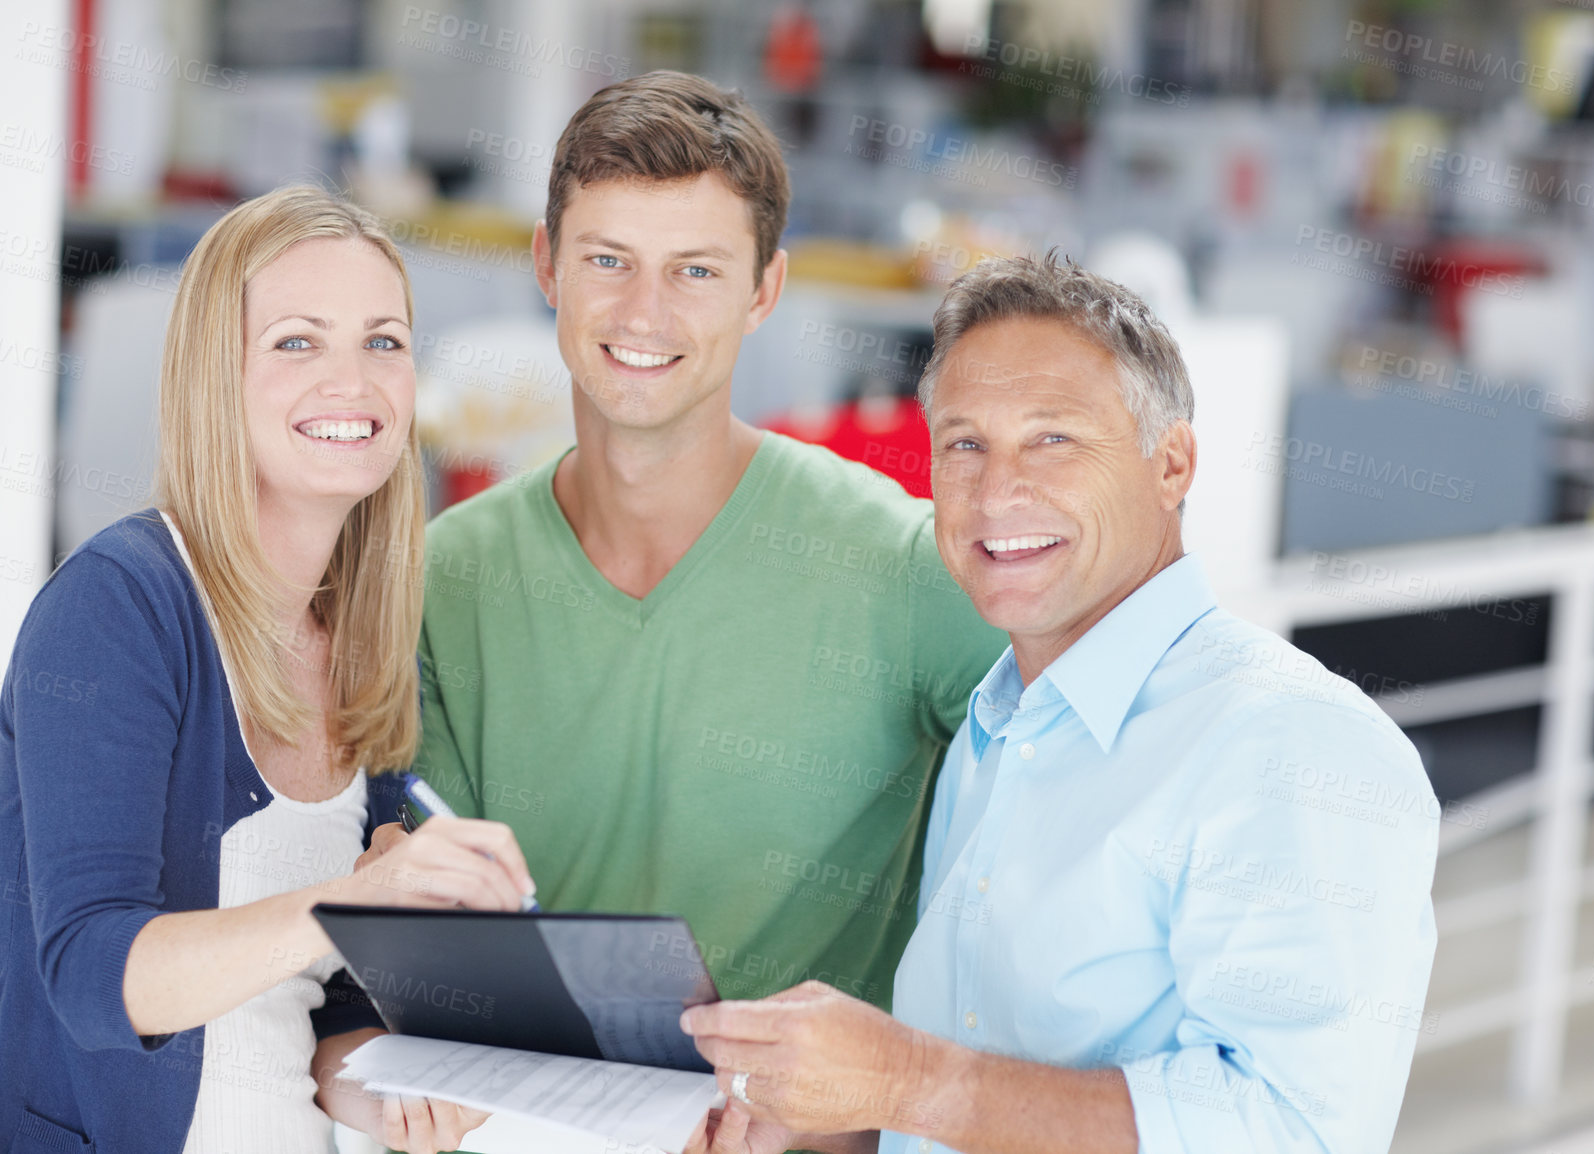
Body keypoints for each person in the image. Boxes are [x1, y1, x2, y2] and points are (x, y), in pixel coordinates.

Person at [682, 253, 1441, 1154]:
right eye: (965, 443)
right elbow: (977, 1089)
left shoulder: (1293, 742)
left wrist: (904, 1079)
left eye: (1054, 439)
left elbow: (1292, 1131)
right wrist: (828, 1121)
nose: (998, 492)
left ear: (1172, 465)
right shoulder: (994, 731)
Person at [412, 68, 1006, 1085]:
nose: (644, 311)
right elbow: (421, 926)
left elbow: (1110, 759)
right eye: (609, 260)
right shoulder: (443, 578)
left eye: (694, 270)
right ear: (547, 265)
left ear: (763, 290)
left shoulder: (899, 565)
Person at [0, 186, 536, 1154]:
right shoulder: (119, 609)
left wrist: (388, 1090)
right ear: (217, 375)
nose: (353, 380)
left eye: (384, 341)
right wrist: (359, 902)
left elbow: (320, 1008)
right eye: (298, 341)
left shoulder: (371, 643)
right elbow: (92, 976)